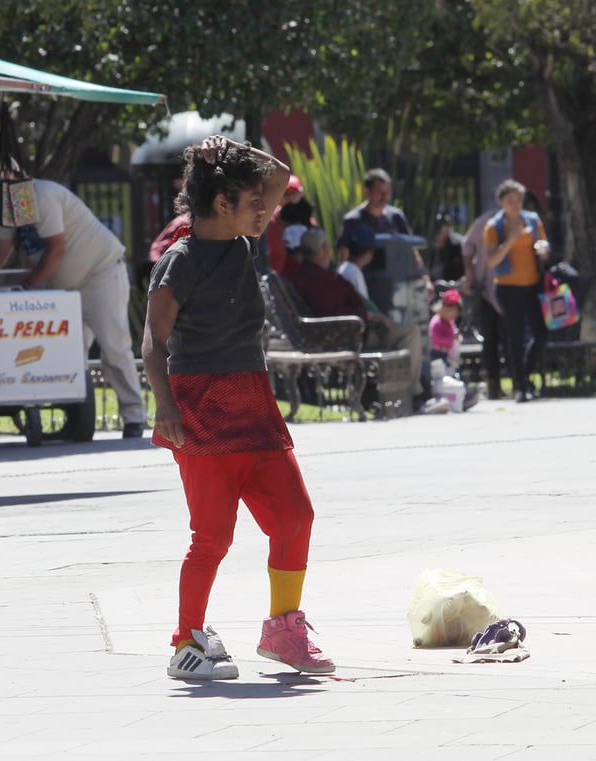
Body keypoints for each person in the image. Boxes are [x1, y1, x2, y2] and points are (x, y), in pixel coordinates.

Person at [142, 134, 335, 681]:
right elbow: (153, 341)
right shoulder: (179, 260)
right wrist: (165, 406)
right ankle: (187, 642)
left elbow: (278, 174)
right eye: (252, 202)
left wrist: (235, 150)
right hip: (198, 407)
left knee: (295, 516)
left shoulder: (242, 243)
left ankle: (282, 631)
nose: (265, 208)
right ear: (222, 203)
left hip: (252, 400)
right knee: (213, 537)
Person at [0, 179, 147, 438]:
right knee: (64, 354)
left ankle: (135, 417)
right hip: (63, 286)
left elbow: (56, 248)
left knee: (114, 347)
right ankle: (75, 418)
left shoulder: (41, 195)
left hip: (100, 273)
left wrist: (30, 284)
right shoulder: (9, 209)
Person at [292, 227, 427, 402]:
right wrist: (369, 317)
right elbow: (335, 312)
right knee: (410, 333)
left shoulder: (311, 275)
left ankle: (403, 392)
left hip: (344, 331)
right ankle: (415, 394)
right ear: (324, 249)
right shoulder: (317, 280)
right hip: (349, 335)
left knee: (403, 331)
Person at [484, 179, 550, 403]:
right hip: (507, 287)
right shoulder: (494, 226)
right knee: (516, 336)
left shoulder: (532, 220)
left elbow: (544, 246)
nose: (516, 204)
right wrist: (511, 239)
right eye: (511, 200)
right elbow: (492, 260)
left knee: (541, 333)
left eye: (519, 199)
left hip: (533, 285)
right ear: (501, 202)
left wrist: (543, 250)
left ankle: (525, 375)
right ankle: (520, 386)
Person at [462, 207, 503, 398]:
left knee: (511, 337)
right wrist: (470, 275)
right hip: (487, 289)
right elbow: (467, 245)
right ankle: (493, 385)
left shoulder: (523, 221)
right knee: (490, 339)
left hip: (513, 286)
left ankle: (520, 382)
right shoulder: (486, 221)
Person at [264, 173, 307, 273]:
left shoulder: (309, 223)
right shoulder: (269, 223)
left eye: (294, 193)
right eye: (286, 194)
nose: (291, 199)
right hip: (277, 280)